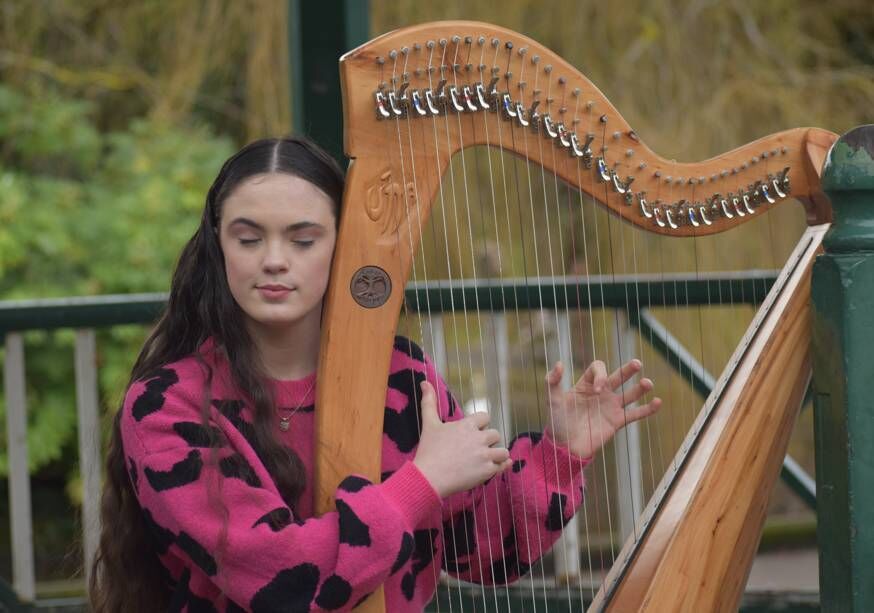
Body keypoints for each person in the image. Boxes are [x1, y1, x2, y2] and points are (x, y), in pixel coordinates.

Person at [89, 136, 662, 612]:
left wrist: (561, 454)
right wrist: (421, 484)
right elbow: (283, 584)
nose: (274, 260)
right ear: (218, 248)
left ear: (346, 248)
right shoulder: (167, 406)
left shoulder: (402, 377)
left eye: (303, 239)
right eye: (248, 238)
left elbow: (482, 551)